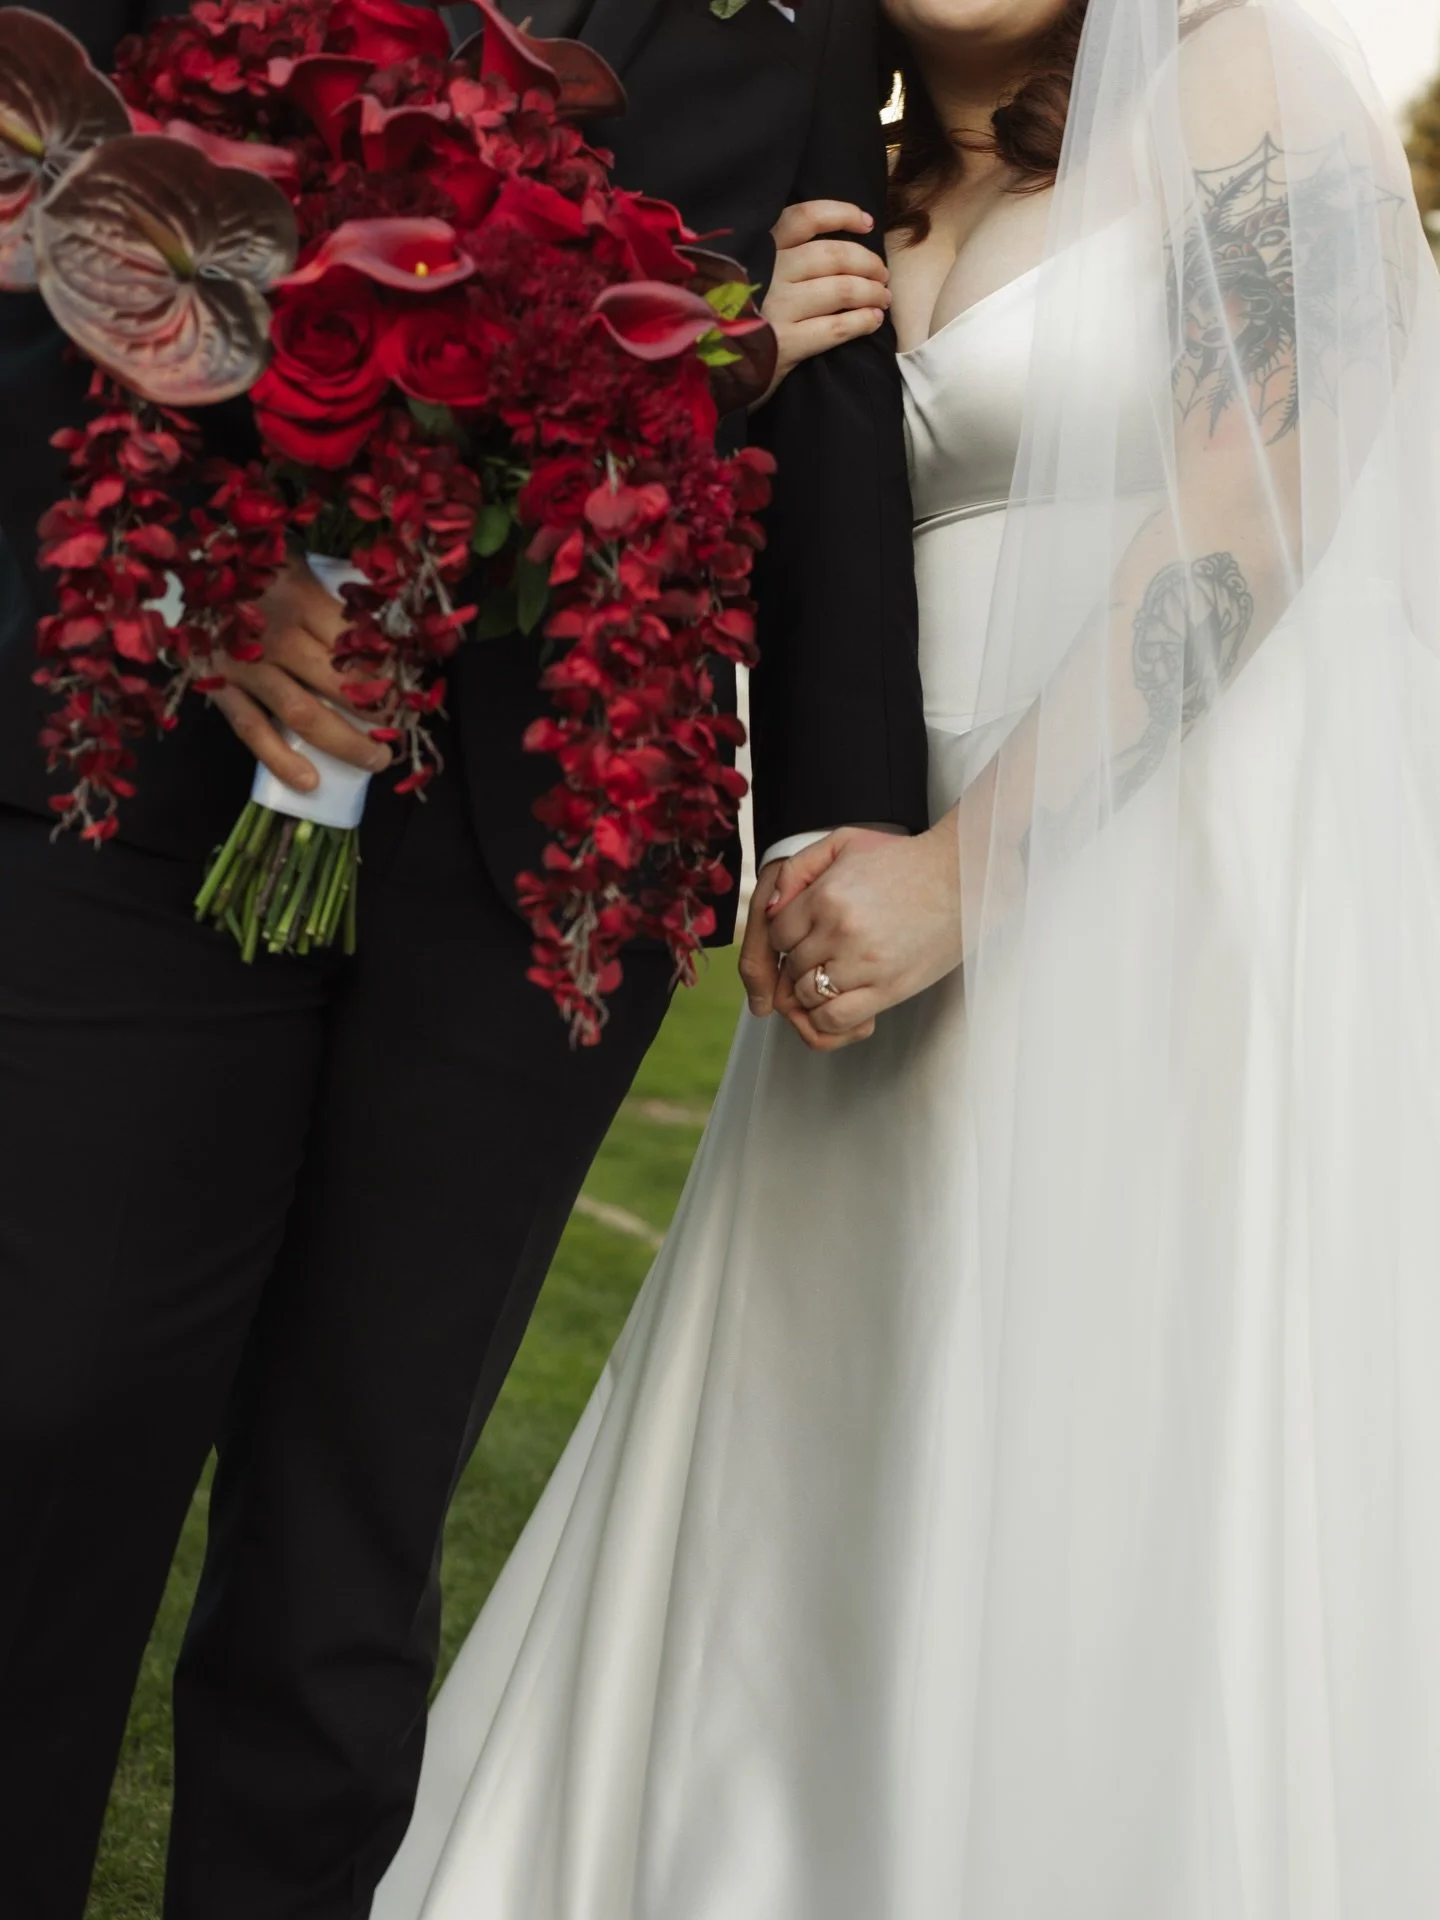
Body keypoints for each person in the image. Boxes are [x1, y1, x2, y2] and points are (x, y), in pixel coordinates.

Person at [373, 0, 1440, 1913]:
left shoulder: (1246, 80)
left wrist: (967, 877)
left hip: (1140, 911)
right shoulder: (839, 179)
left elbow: (1269, 483)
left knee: (1101, 1493)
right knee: (842, 1495)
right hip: (866, 950)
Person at [0, 1, 928, 1914]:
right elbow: (39, 246)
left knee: (354, 1529)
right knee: (47, 1410)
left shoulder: (801, 28)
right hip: (154, 780)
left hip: (546, 850)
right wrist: (191, 576)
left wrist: (841, 823)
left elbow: (817, 393)